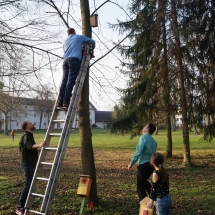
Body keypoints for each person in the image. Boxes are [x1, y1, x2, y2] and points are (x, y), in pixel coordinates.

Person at [57, 28, 95, 107]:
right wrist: (91, 49)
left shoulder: (65, 41)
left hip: (65, 61)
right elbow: (92, 41)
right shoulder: (78, 37)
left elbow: (65, 51)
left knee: (64, 81)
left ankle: (60, 101)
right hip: (74, 60)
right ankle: (66, 101)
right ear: (74, 32)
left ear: (68, 34)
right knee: (70, 81)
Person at [16, 120, 46, 215]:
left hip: (31, 163)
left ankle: (26, 204)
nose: (33, 124)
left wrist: (39, 150)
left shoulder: (30, 136)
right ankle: (20, 207)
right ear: (27, 127)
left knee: (31, 184)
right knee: (28, 184)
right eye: (30, 124)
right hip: (28, 164)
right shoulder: (26, 136)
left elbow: (29, 150)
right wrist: (39, 145)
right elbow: (30, 146)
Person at [127, 123, 157, 201]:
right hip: (151, 165)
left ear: (148, 129)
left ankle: (144, 205)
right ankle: (155, 197)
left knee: (140, 187)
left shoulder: (143, 137)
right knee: (143, 182)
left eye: (146, 126)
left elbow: (138, 152)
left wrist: (131, 163)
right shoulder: (154, 141)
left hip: (144, 165)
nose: (143, 126)